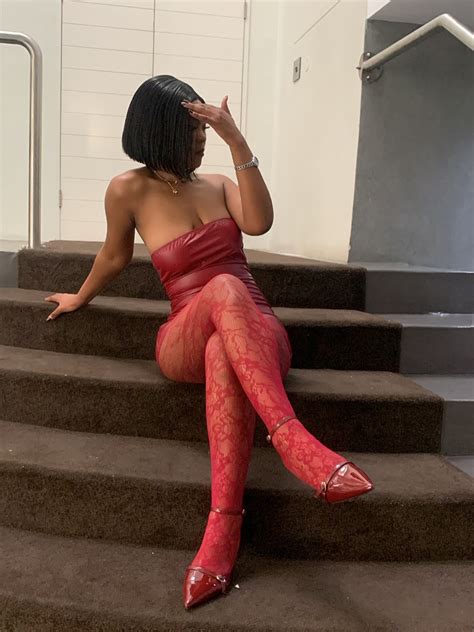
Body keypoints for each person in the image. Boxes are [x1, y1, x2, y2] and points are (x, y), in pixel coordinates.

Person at [44, 75, 374, 610]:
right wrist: (80, 296)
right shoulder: (127, 189)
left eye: (204, 132)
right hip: (184, 332)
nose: (201, 141)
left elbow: (260, 223)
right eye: (192, 133)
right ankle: (292, 440)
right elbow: (115, 256)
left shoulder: (219, 182)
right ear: (157, 132)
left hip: (257, 330)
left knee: (226, 343)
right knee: (222, 288)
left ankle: (223, 526)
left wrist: (236, 140)